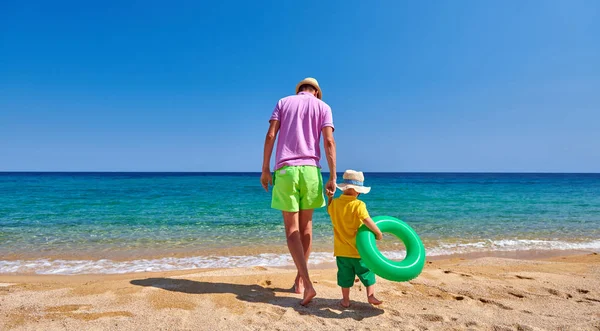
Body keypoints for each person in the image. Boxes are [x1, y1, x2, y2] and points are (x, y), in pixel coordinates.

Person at [260, 77, 337, 306]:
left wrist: (265, 169)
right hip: (312, 171)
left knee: (291, 228)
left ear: (300, 90)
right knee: (306, 227)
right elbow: (329, 142)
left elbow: (271, 135)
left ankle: (307, 283)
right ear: (316, 92)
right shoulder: (324, 107)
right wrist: (333, 176)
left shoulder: (283, 102)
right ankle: (299, 282)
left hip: (286, 170)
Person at [327, 170, 383, 308]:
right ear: (357, 191)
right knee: (367, 272)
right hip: (358, 251)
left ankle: (345, 300)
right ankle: (370, 296)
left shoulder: (335, 204)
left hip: (341, 252)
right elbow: (367, 220)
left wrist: (329, 198)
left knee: (345, 277)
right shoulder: (358, 205)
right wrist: (378, 233)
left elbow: (329, 209)